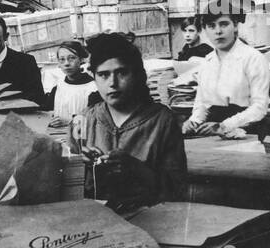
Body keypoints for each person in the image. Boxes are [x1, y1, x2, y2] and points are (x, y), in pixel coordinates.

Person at [69, 33, 187, 205]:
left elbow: (177, 190)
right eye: (103, 75)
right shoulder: (82, 120)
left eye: (122, 73)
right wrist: (78, 168)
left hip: (150, 220)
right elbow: (66, 192)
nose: (112, 83)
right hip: (93, 222)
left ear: (137, 75)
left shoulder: (162, 121)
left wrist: (138, 170)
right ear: (94, 77)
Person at [182, 5, 270, 137]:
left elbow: (259, 107)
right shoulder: (207, 62)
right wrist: (193, 121)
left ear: (235, 26)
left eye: (223, 24)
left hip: (247, 131)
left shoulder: (253, 58)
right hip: (213, 132)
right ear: (205, 30)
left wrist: (224, 126)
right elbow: (202, 103)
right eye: (211, 26)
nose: (218, 31)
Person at [45, 40, 95, 121]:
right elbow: (47, 112)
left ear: (81, 59)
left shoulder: (93, 88)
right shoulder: (58, 87)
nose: (66, 63)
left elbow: (94, 119)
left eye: (71, 58)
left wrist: (67, 121)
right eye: (62, 59)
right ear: (58, 63)